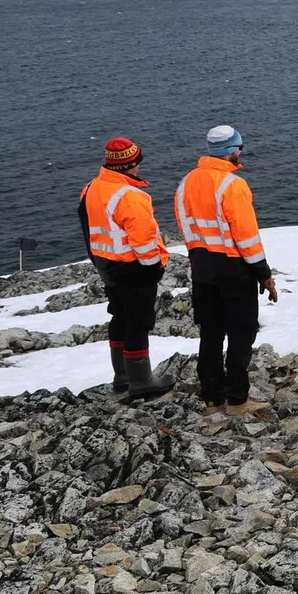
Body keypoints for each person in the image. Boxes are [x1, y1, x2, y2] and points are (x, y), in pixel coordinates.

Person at [176, 126, 279, 417]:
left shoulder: (185, 183)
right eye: (240, 147)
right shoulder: (232, 185)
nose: (241, 152)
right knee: (241, 332)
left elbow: (186, 228)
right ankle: (237, 400)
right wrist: (263, 273)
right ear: (232, 151)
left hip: (201, 267)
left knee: (210, 334)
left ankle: (212, 401)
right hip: (233, 268)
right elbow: (246, 236)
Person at [79, 137, 173, 399]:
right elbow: (143, 239)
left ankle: (122, 377)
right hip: (133, 267)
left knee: (120, 317)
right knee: (138, 322)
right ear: (131, 164)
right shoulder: (130, 196)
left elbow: (87, 228)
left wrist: (97, 260)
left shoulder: (91, 188)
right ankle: (142, 381)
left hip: (106, 265)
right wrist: (153, 268)